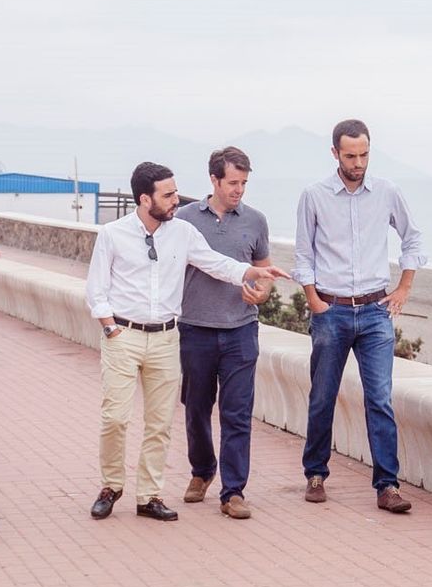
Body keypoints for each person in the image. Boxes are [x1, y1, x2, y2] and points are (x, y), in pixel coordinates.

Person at [85, 162, 288, 522]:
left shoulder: (183, 232)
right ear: (145, 199)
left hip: (166, 338)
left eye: (176, 192)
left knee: (160, 423)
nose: (176, 200)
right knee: (115, 418)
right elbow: (96, 289)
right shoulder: (113, 234)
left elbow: (215, 263)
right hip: (124, 336)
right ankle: (111, 486)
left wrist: (252, 271)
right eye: (168, 195)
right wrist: (111, 329)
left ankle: (149, 495)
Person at [293, 119, 426, 513]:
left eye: (364, 155)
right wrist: (314, 300)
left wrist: (404, 287)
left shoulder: (387, 192)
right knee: (322, 396)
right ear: (335, 153)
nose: (358, 163)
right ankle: (315, 474)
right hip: (330, 311)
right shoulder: (314, 196)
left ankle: (387, 486)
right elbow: (303, 254)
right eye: (350, 156)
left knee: (380, 399)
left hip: (375, 313)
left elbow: (413, 238)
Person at [177, 148, 273, 520]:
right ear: (214, 180)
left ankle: (233, 491)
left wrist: (261, 293)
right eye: (233, 182)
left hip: (241, 331)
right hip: (195, 329)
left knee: (237, 414)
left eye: (244, 183)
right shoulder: (184, 219)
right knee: (196, 408)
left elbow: (264, 273)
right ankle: (202, 470)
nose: (239, 190)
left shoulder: (256, 221)